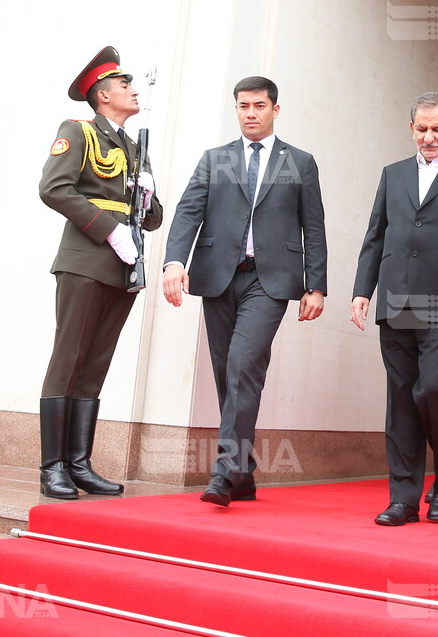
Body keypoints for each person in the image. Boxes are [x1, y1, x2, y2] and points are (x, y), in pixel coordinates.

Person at [162, 76, 326, 507]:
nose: (250, 112)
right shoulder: (215, 159)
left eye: (258, 105)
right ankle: (244, 472)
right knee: (226, 375)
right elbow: (187, 212)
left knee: (241, 366)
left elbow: (314, 226)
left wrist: (316, 285)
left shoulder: (300, 162)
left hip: (269, 281)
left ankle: (224, 472)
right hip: (218, 277)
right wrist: (175, 261)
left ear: (275, 109)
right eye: (242, 105)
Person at [352, 93, 438, 526]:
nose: (429, 137)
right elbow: (376, 234)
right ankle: (404, 498)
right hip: (397, 297)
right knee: (400, 400)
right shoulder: (392, 174)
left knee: (435, 389)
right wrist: (363, 289)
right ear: (411, 128)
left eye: (437, 129)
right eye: (421, 129)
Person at [39, 46, 162, 499]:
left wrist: (148, 201)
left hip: (124, 266)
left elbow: (152, 218)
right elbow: (53, 189)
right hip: (87, 259)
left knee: (96, 363)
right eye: (124, 84)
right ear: (103, 94)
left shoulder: (135, 147)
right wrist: (109, 230)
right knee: (68, 358)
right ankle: (52, 466)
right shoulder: (79, 132)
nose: (133, 90)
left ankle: (79, 464)